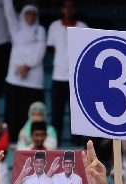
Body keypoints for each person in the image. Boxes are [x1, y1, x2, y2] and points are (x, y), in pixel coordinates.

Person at [3, 0, 46, 141]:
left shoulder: (40, 30)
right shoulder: (16, 29)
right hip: (15, 78)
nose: (31, 17)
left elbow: (40, 50)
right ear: (22, 15)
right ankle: (14, 139)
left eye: (34, 14)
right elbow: (8, 10)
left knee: (31, 111)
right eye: (28, 13)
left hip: (33, 80)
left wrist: (27, 66)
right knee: (14, 111)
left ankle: (31, 140)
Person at [46, 0, 87, 145]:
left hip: (76, 77)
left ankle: (76, 144)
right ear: (62, 9)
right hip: (58, 76)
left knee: (76, 113)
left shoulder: (82, 27)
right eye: (66, 7)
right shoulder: (54, 27)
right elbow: (54, 48)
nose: (68, 10)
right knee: (57, 113)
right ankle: (54, 143)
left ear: (75, 9)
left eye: (71, 7)